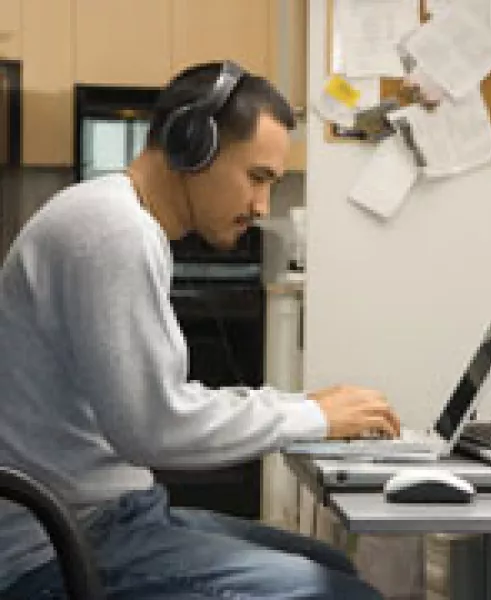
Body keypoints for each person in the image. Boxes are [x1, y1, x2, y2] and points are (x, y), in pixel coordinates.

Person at [0, 60, 400, 599]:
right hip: (56, 545)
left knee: (325, 562)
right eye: (257, 178)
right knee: (327, 591)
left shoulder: (119, 220)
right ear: (192, 146)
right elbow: (153, 427)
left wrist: (301, 405)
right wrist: (311, 418)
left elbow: (161, 403)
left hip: (106, 515)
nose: (261, 207)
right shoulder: (112, 231)